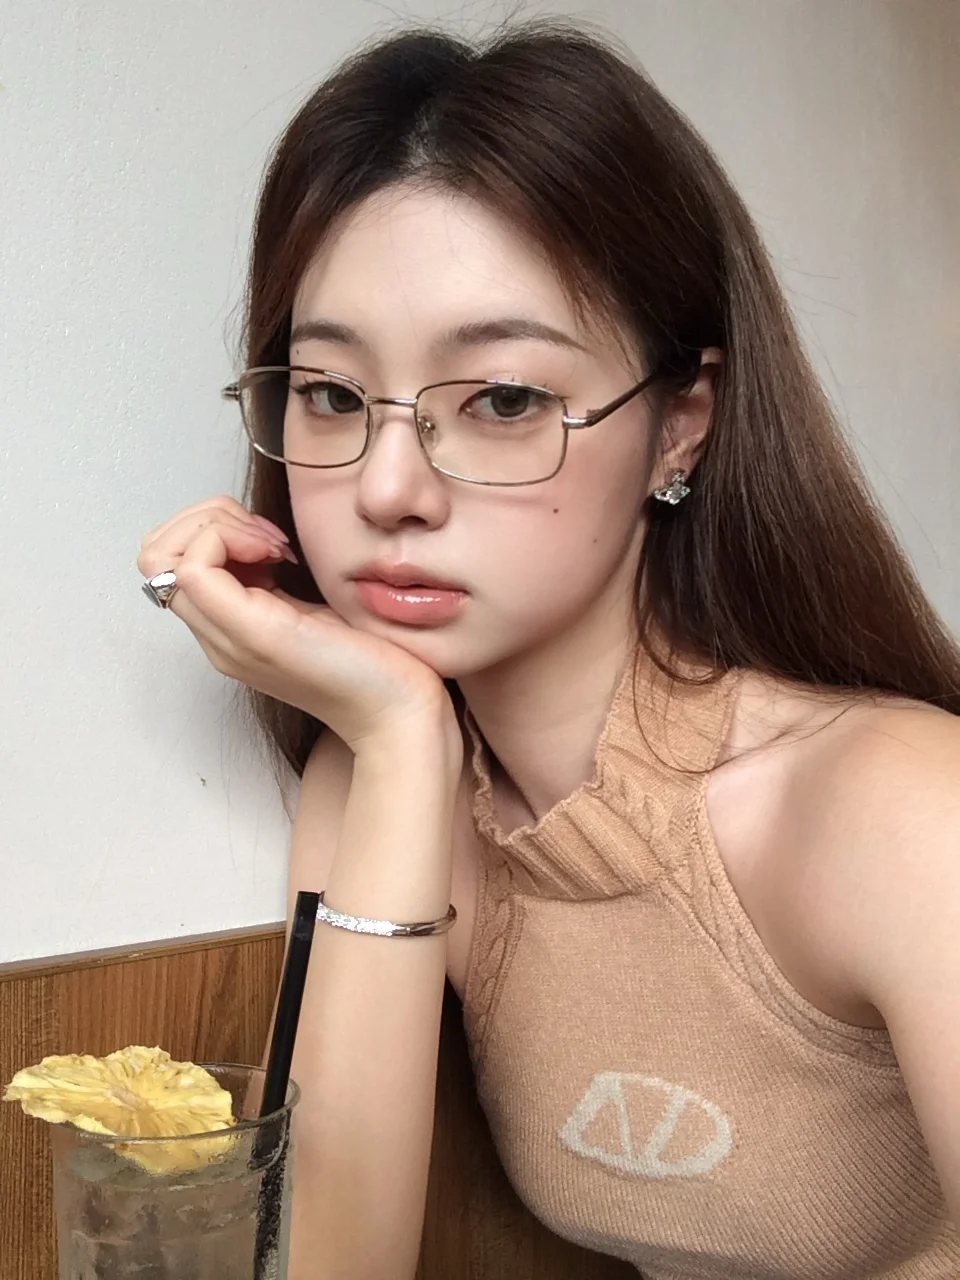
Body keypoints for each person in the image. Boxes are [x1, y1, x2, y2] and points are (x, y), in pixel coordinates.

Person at [137, 21, 960, 1280]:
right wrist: (397, 736)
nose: (390, 488)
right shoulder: (379, 783)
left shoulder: (898, 805)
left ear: (682, 423)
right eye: (333, 395)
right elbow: (325, 1267)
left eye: (505, 400)